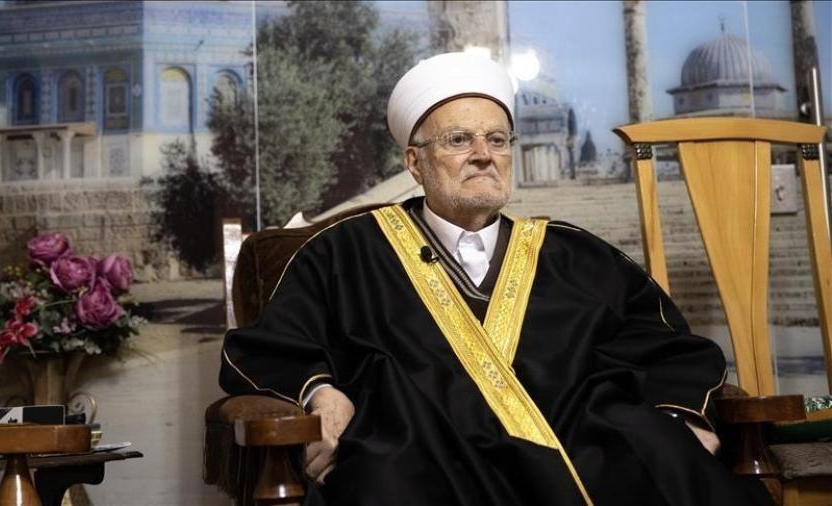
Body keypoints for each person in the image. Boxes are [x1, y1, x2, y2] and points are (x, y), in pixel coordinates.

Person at [219, 52, 771, 505]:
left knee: (663, 454)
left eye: (499, 140)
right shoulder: (343, 252)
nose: (484, 155)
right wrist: (320, 392)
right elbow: (270, 347)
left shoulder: (575, 253)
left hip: (588, 449)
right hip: (421, 455)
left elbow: (667, 346)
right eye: (460, 140)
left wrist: (679, 414)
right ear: (414, 162)